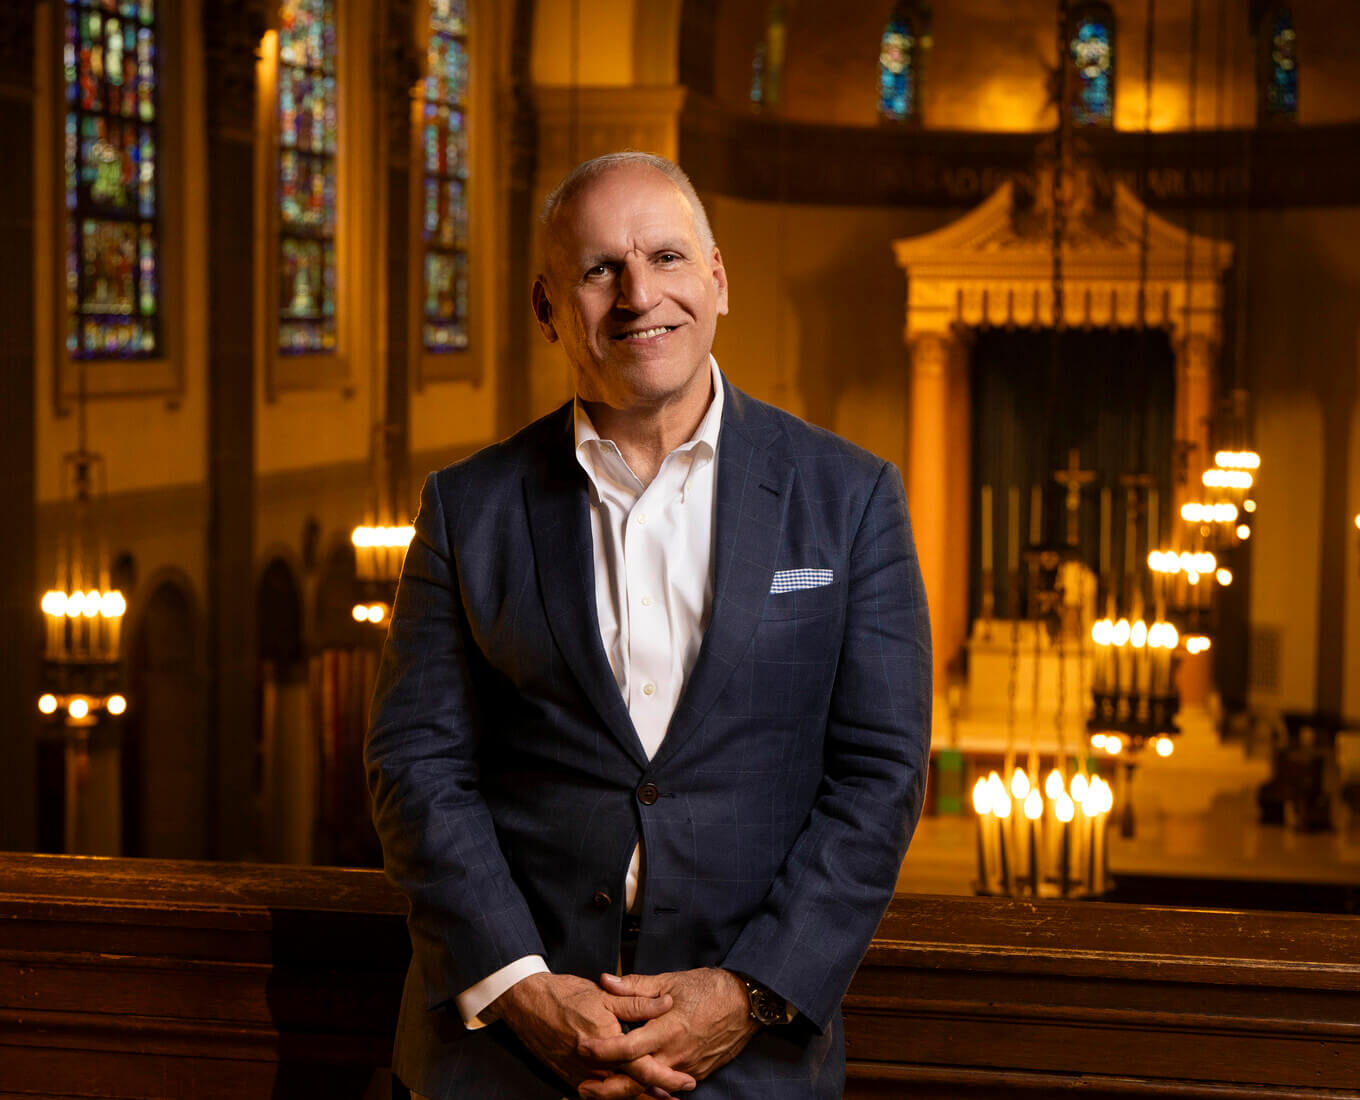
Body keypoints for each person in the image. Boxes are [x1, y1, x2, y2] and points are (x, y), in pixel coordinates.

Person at [365, 151, 932, 1100]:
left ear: (717, 281)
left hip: (750, 1061)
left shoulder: (850, 497)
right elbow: (415, 767)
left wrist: (745, 994)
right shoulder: (467, 509)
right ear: (548, 308)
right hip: (506, 1060)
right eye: (599, 271)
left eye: (667, 258)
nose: (639, 296)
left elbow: (880, 776)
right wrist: (521, 987)